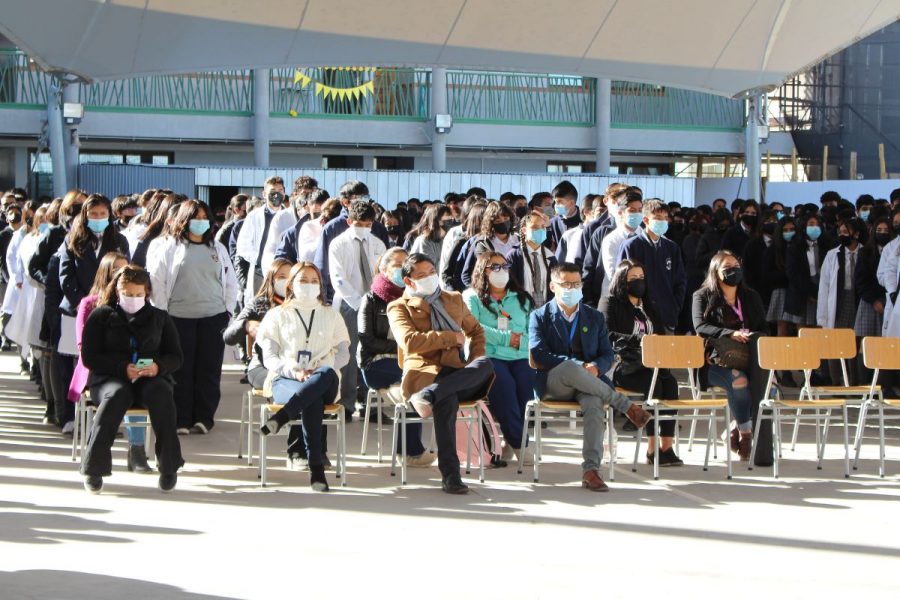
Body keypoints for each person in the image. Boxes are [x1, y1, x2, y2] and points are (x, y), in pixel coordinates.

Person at [528, 262, 652, 492]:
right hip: (554, 382)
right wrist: (578, 366)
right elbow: (538, 354)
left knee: (595, 403)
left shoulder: (594, 317)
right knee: (569, 367)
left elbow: (607, 353)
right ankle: (625, 406)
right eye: (566, 284)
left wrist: (596, 366)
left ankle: (591, 470)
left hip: (590, 384)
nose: (572, 288)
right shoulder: (540, 316)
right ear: (553, 286)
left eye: (576, 283)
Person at [387, 253, 495, 494]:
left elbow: (476, 332)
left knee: (486, 364)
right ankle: (451, 475)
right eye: (422, 275)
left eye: (431, 272)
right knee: (447, 400)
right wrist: (450, 338)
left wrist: (473, 359)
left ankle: (430, 395)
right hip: (425, 371)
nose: (429, 278)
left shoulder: (453, 299)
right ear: (409, 281)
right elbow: (409, 341)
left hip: (456, 370)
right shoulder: (398, 307)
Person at [80, 265, 184, 494]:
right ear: (117, 290)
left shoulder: (160, 318)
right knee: (116, 396)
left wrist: (158, 367)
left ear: (147, 293)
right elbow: (90, 356)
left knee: (161, 396)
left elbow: (176, 356)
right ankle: (93, 468)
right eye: (128, 294)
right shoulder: (101, 316)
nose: (133, 299)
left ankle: (169, 466)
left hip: (148, 377)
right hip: (110, 377)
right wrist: (120, 367)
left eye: (138, 294)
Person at [145, 199, 239, 434]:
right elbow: (158, 282)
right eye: (195, 217)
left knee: (209, 369)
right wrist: (162, 315)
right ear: (184, 220)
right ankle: (181, 417)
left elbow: (230, 283)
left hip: (213, 316)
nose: (200, 222)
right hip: (178, 317)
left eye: (204, 217)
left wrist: (227, 310)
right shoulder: (169, 246)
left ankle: (204, 417)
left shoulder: (217, 248)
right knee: (181, 369)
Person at [256, 262, 350, 491]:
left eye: (314, 281)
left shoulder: (331, 315)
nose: (309, 285)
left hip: (324, 378)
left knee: (324, 374)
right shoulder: (276, 315)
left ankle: (282, 418)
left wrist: (319, 369)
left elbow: (344, 354)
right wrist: (294, 371)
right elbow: (269, 357)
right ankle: (316, 468)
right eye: (303, 280)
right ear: (290, 285)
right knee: (312, 399)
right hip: (285, 379)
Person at [67, 251, 153, 471]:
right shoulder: (89, 305)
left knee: (141, 383)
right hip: (98, 368)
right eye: (117, 271)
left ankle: (137, 450)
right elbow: (84, 348)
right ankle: (98, 451)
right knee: (119, 388)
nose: (123, 274)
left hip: (133, 365)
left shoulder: (139, 305)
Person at [358, 248, 432, 467]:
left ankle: (408, 452)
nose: (402, 268)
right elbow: (367, 339)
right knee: (415, 378)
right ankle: (412, 452)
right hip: (376, 363)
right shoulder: (371, 299)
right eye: (397, 264)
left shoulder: (416, 297)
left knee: (410, 387)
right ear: (384, 268)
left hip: (406, 362)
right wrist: (403, 345)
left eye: (406, 263)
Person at [604, 259, 683, 466]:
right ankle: (652, 448)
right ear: (622, 280)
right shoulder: (610, 303)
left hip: (653, 363)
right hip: (623, 364)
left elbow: (661, 334)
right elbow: (608, 334)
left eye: (641, 278)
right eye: (633, 278)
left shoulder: (649, 305)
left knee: (671, 384)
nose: (639, 282)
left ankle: (667, 447)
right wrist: (640, 340)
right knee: (654, 385)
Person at [692, 251, 767, 461]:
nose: (734, 270)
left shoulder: (751, 296)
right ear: (716, 272)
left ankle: (736, 425)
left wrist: (750, 336)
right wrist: (730, 333)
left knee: (771, 389)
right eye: (727, 267)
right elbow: (700, 326)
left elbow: (764, 328)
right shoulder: (702, 296)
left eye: (736, 265)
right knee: (739, 381)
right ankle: (746, 435)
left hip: (750, 358)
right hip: (716, 361)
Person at [463, 251, 534, 463]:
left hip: (520, 355)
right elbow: (473, 328)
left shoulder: (522, 298)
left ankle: (511, 438)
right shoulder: (471, 297)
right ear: (482, 270)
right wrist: (506, 339)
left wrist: (519, 342)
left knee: (525, 385)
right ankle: (519, 443)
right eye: (494, 267)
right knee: (504, 385)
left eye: (504, 266)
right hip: (488, 355)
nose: (501, 271)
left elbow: (534, 330)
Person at [328, 200, 388, 417]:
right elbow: (338, 279)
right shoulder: (338, 244)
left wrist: (373, 303)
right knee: (349, 355)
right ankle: (347, 402)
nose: (364, 227)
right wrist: (358, 303)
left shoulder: (378, 244)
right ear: (349, 221)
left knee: (374, 353)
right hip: (348, 304)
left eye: (369, 223)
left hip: (374, 304)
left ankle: (372, 405)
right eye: (360, 223)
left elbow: (383, 274)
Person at [314, 180, 389, 303]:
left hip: (375, 299)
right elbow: (323, 265)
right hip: (342, 298)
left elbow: (386, 265)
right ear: (345, 202)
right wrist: (324, 298)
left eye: (366, 198)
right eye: (359, 198)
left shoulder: (377, 228)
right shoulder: (332, 228)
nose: (363, 202)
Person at [617, 199, 686, 332]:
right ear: (646, 220)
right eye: (658, 218)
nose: (663, 221)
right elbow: (621, 282)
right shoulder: (631, 246)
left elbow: (680, 281)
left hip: (667, 316)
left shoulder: (672, 247)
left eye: (666, 218)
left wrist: (674, 306)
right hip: (638, 318)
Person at [817, 218, 865, 385]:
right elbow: (824, 285)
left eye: (846, 232)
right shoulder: (833, 255)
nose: (842, 235)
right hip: (839, 299)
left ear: (856, 234)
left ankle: (854, 382)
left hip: (857, 299)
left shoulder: (865, 252)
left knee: (854, 341)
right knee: (835, 339)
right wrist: (822, 314)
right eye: (841, 232)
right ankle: (836, 382)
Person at [235, 176, 287, 300]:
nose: (277, 195)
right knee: (258, 310)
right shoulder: (254, 216)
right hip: (259, 272)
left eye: (280, 191)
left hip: (283, 272)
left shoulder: (289, 216)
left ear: (284, 193)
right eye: (272, 191)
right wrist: (261, 260)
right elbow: (243, 245)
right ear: (264, 194)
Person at [785, 213, 833, 330]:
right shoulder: (795, 247)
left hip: (822, 291)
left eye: (818, 225)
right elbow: (793, 273)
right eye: (811, 224)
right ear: (804, 227)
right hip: (801, 293)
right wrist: (810, 292)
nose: (815, 227)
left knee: (820, 330)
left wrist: (819, 293)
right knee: (803, 333)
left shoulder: (828, 246)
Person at [600, 186, 644, 302]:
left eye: (640, 210)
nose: (637, 214)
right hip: (617, 298)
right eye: (632, 211)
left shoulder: (646, 236)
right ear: (620, 213)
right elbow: (613, 274)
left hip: (643, 299)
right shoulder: (611, 240)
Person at [460, 201, 518, 287]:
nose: (503, 223)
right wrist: (479, 292)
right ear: (491, 223)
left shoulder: (518, 239)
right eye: (498, 221)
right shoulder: (482, 243)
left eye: (506, 219)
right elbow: (466, 275)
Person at [507, 210, 557, 308]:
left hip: (545, 307)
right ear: (524, 230)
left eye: (543, 227)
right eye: (535, 227)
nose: (540, 230)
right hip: (520, 308)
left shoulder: (550, 256)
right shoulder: (514, 256)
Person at [274, 190, 332, 263]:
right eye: (317, 214)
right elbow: (280, 263)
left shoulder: (335, 229)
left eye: (324, 214)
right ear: (307, 207)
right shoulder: (292, 234)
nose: (320, 218)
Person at [548, 180, 581, 250]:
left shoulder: (584, 220)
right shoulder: (552, 223)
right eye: (555, 202)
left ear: (572, 203)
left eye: (559, 201)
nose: (556, 205)